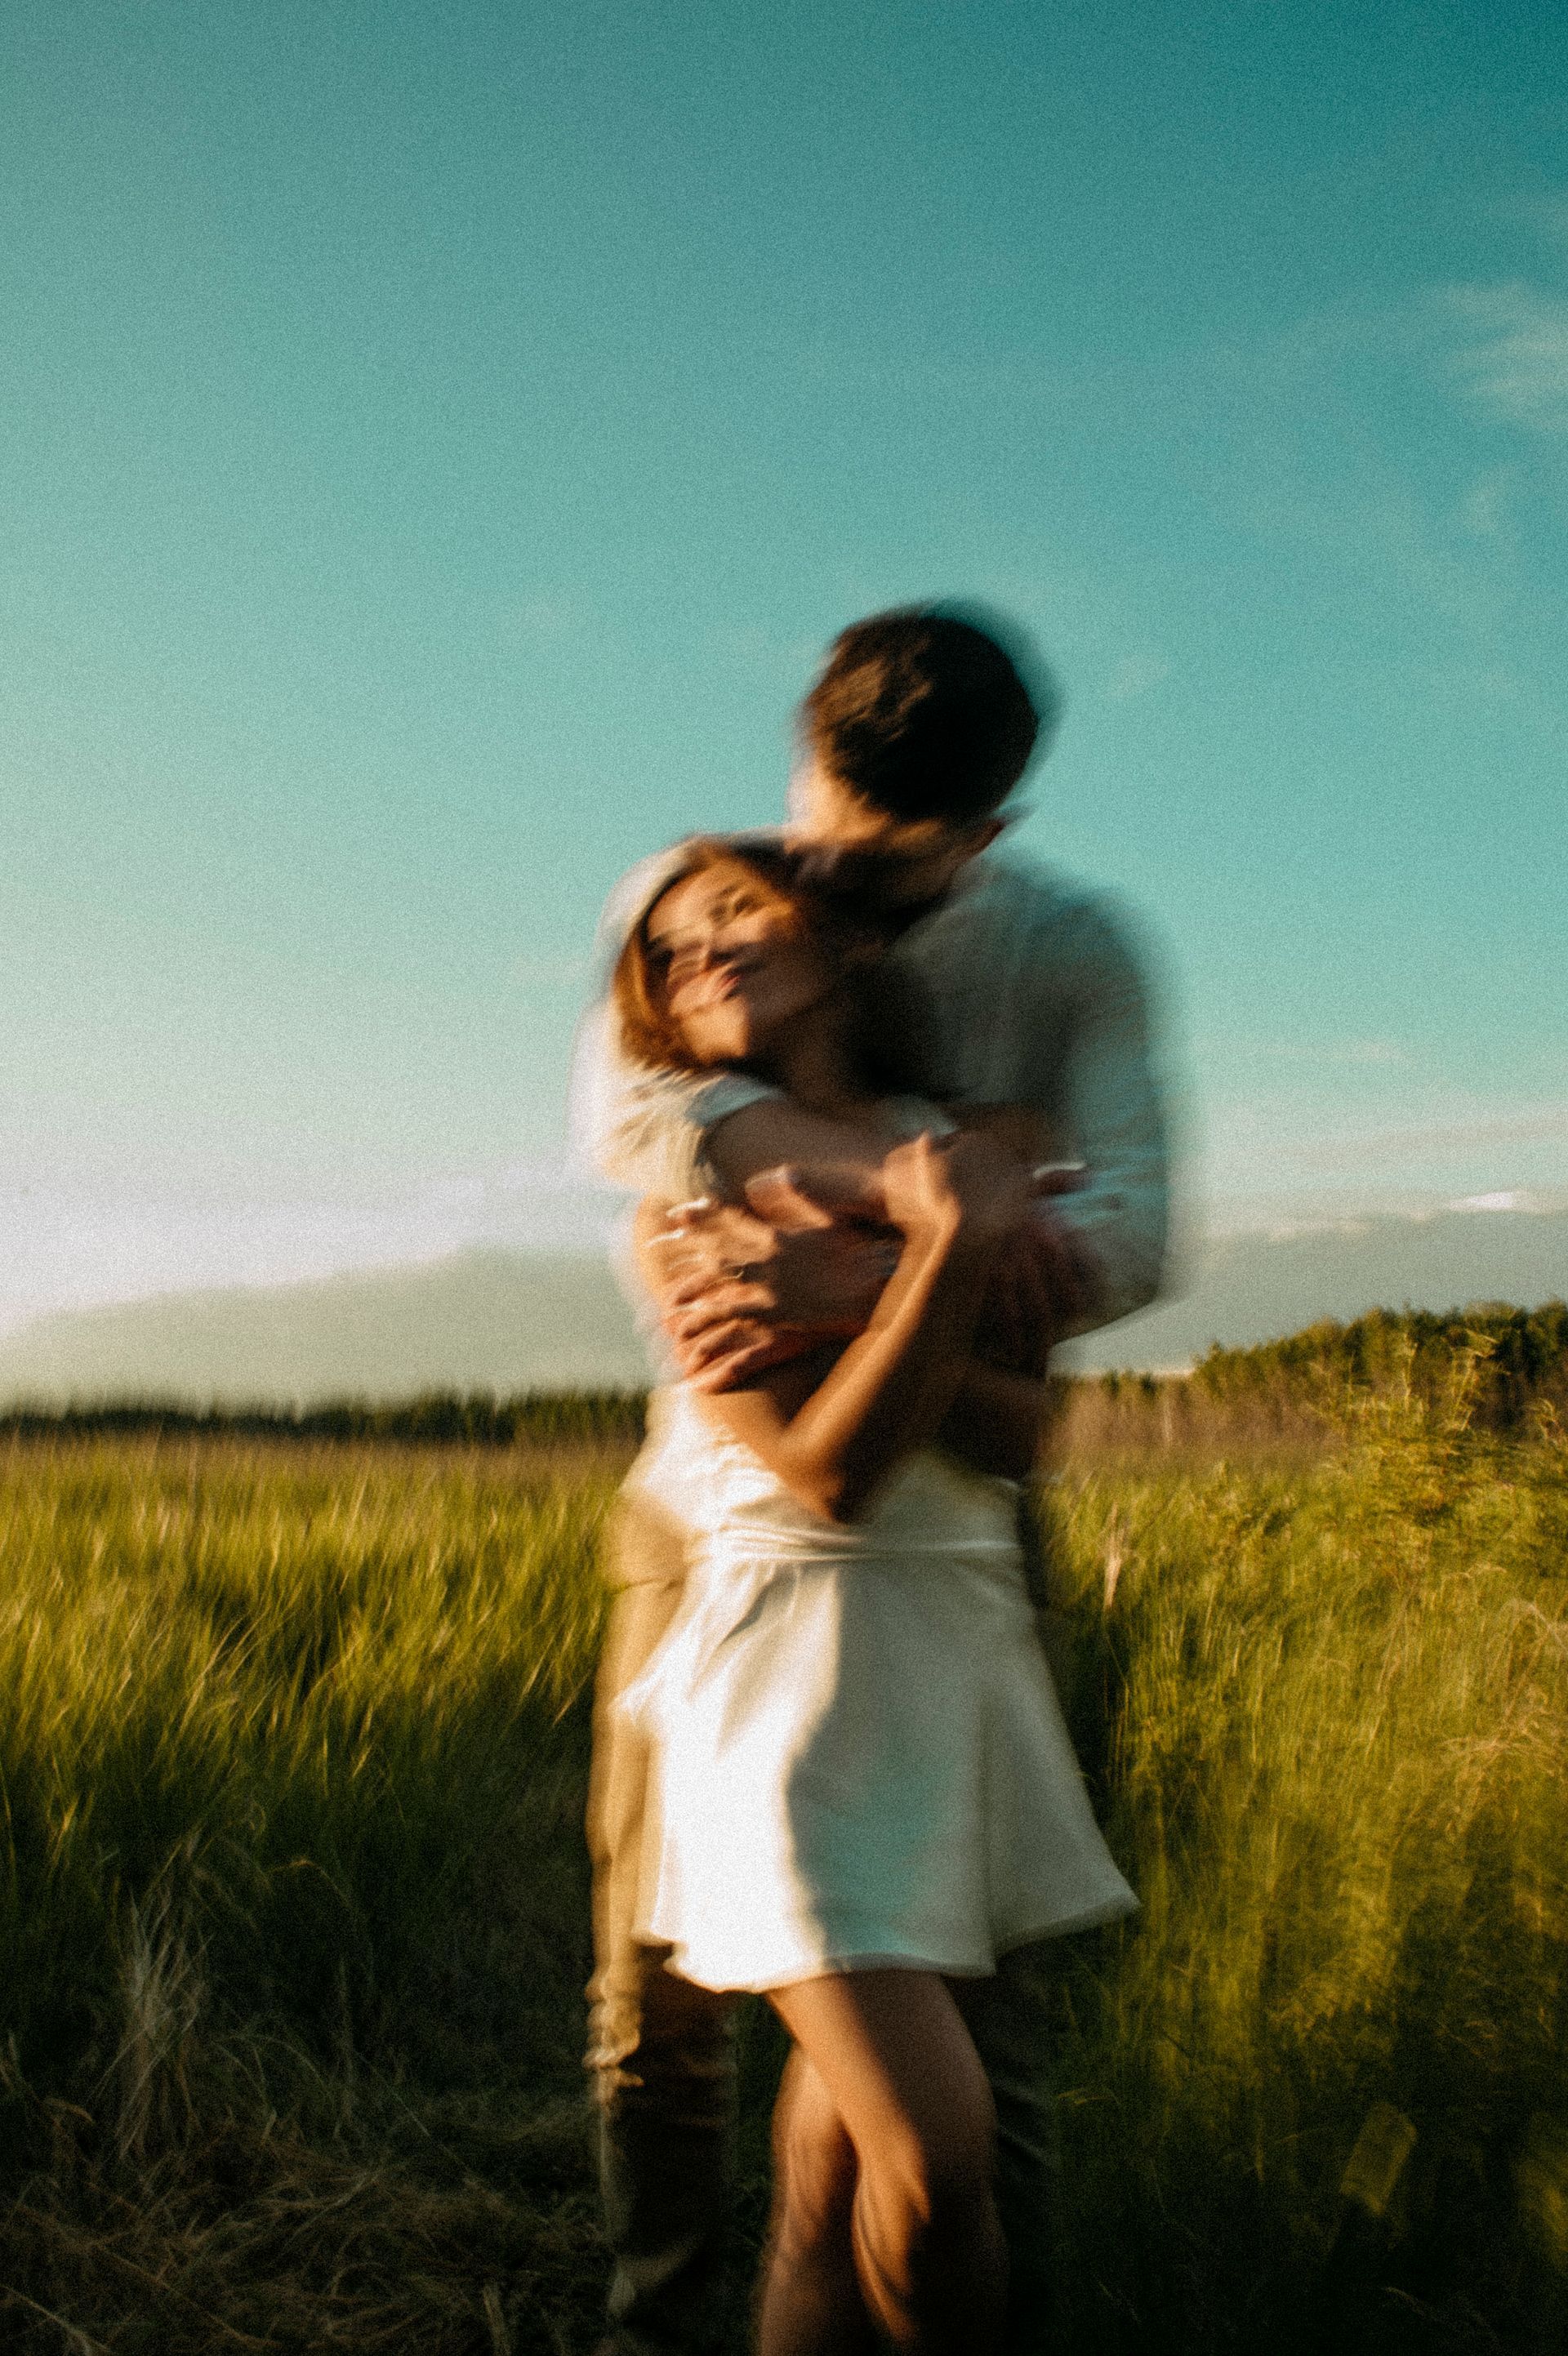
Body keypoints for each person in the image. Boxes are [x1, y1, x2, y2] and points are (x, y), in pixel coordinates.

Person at [571, 606, 1169, 2354]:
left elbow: (1053, 1369)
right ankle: (649, 2324)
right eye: (681, 947)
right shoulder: (714, 1158)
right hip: (760, 1598)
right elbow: (659, 1143)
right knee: (729, 2038)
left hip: (948, 1612)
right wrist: (946, 1226)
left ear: (977, 842)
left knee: (877, 2130)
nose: (764, 905)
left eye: (771, 903)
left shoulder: (1034, 1011)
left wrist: (888, 1263)